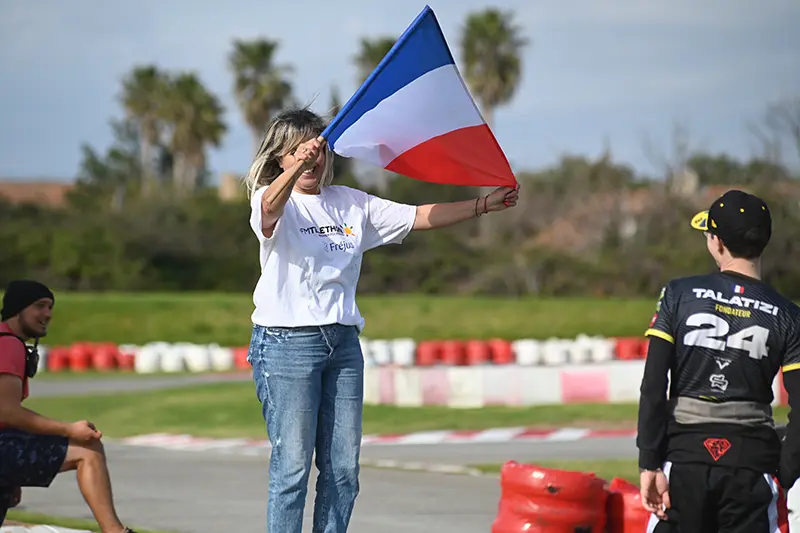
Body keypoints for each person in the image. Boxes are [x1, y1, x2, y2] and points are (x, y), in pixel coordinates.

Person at [242, 107, 519, 533]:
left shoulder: (352, 203)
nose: (310, 160)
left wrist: (483, 204)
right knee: (292, 470)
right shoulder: (272, 200)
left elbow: (419, 215)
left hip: (343, 344)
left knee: (343, 473)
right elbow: (269, 209)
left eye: (316, 150)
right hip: (286, 344)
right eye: (297, 153)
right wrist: (296, 167)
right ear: (281, 159)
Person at [636, 189, 795, 532]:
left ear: (717, 242)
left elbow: (652, 386)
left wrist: (649, 462)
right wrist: (785, 472)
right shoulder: (790, 315)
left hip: (684, 463)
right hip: (753, 466)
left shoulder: (678, 293)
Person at [0, 280, 139, 533]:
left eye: (50, 307)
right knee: (87, 449)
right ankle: (115, 531)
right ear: (17, 309)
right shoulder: (8, 344)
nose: (48, 314)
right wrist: (68, 430)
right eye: (40, 306)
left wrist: (11, 477)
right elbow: (6, 411)